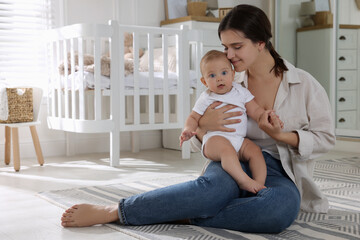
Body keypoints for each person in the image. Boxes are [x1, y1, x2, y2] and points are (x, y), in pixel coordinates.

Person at [61, 4, 335, 233]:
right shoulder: (223, 81)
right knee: (209, 192)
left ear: (261, 43)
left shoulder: (304, 84)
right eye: (225, 47)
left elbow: (325, 139)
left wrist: (280, 135)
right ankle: (115, 211)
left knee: (278, 211)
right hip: (229, 158)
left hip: (278, 169)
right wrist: (203, 127)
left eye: (236, 46)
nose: (228, 56)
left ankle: (183, 214)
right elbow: (196, 141)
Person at [180, 49, 269, 194]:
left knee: (255, 151)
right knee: (226, 150)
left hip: (238, 140)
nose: (219, 79)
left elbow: (255, 110)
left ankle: (258, 185)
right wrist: (187, 130)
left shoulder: (240, 91)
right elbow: (193, 117)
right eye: (212, 75)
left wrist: (265, 116)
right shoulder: (207, 97)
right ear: (204, 81)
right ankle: (243, 180)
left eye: (224, 73)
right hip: (214, 140)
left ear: (233, 74)